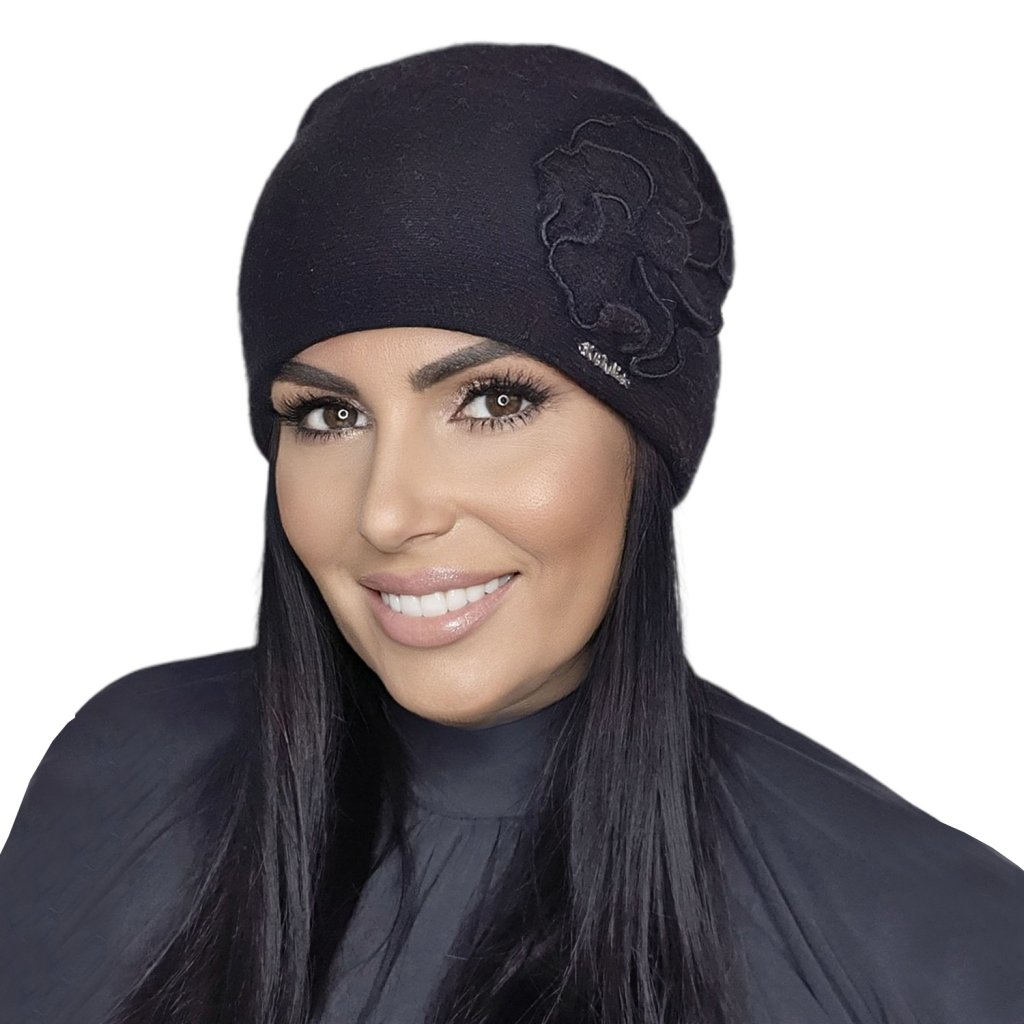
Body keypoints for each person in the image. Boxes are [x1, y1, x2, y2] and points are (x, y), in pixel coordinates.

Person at [1, 40, 1022, 1024]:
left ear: (647, 443)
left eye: (492, 402)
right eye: (328, 415)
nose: (388, 511)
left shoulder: (925, 942)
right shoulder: (126, 776)